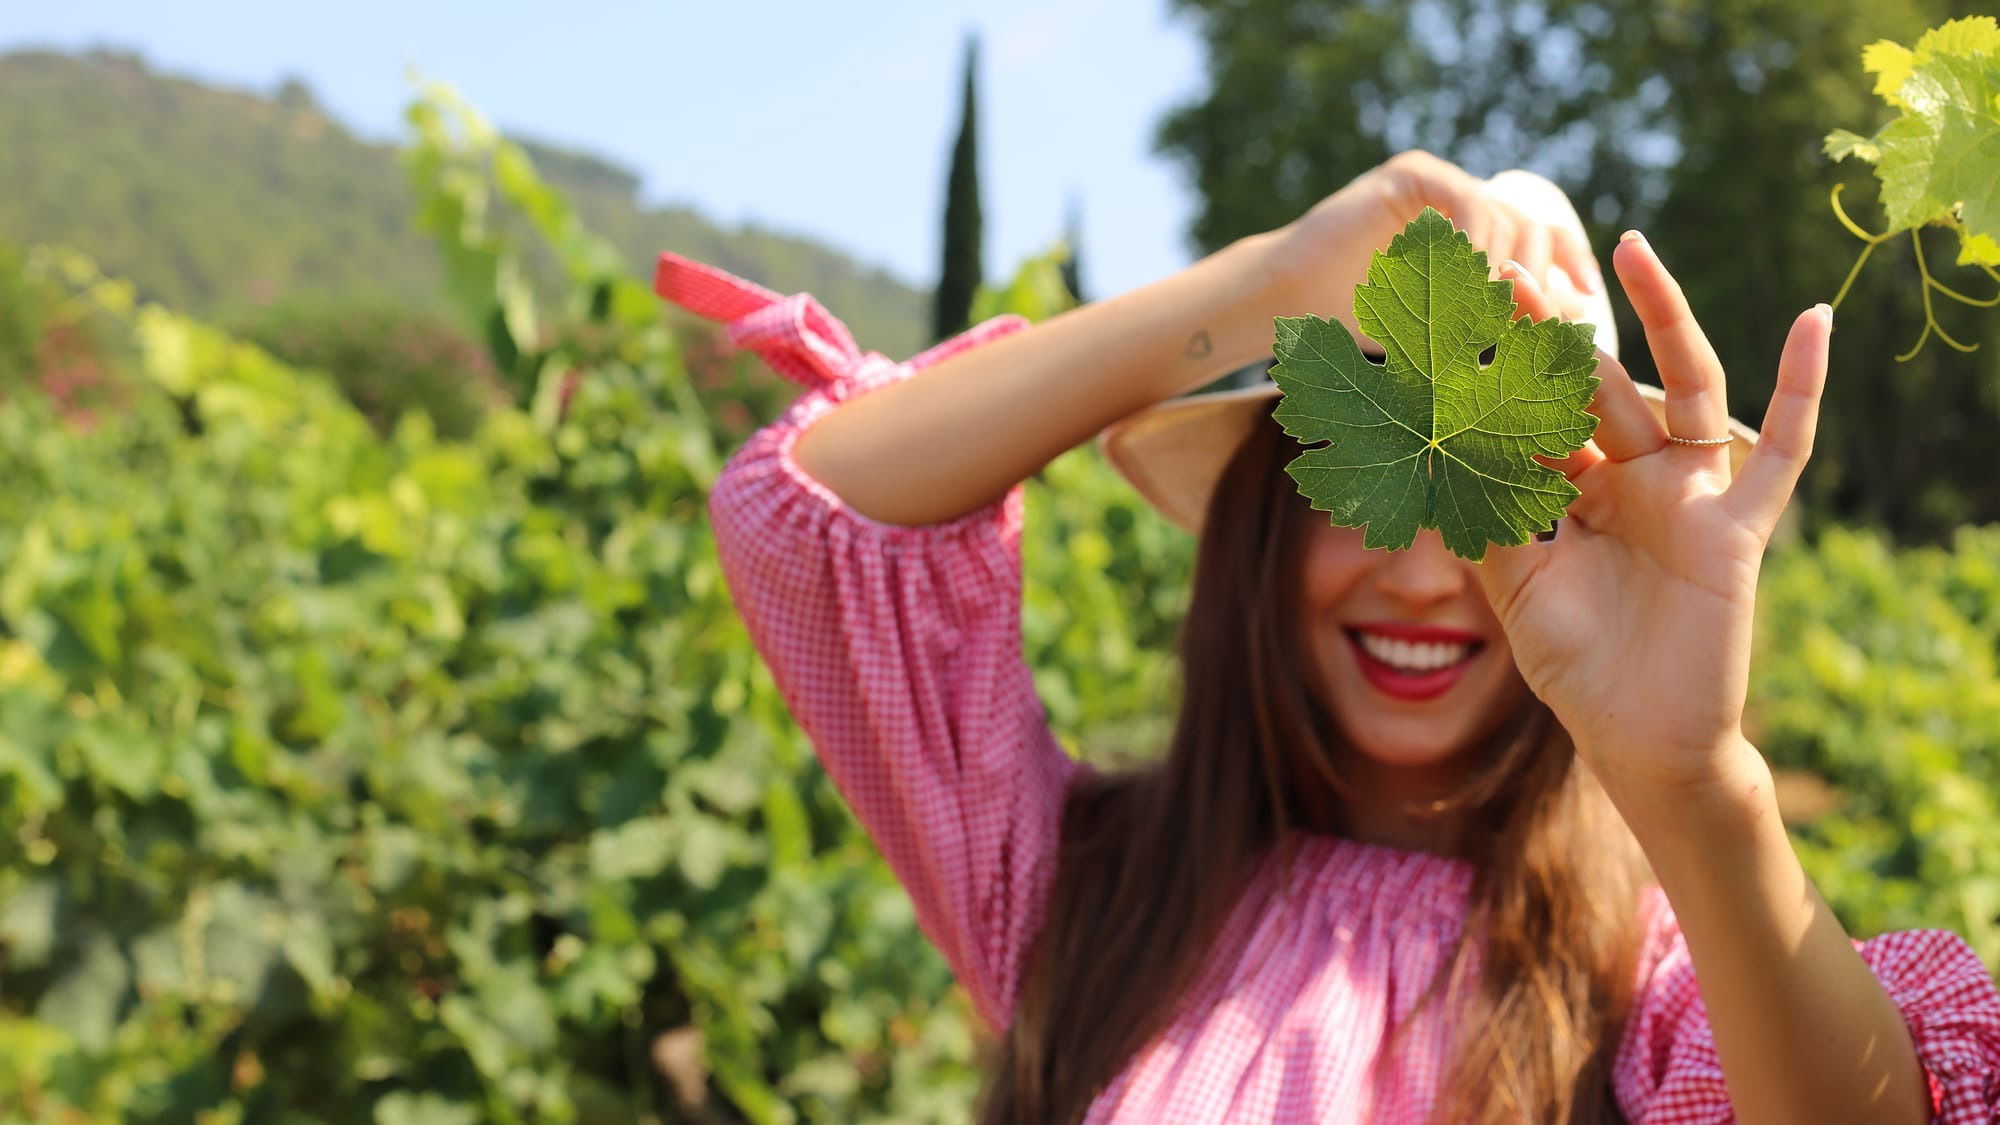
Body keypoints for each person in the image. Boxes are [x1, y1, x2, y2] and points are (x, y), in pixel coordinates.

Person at [660, 151, 2000, 1123]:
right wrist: (1273, 281)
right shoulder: (1086, 891)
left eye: (1498, 492)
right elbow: (807, 521)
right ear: (1258, 520)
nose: (1424, 574)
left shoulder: (1660, 988)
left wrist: (1697, 785)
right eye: (1359, 473)